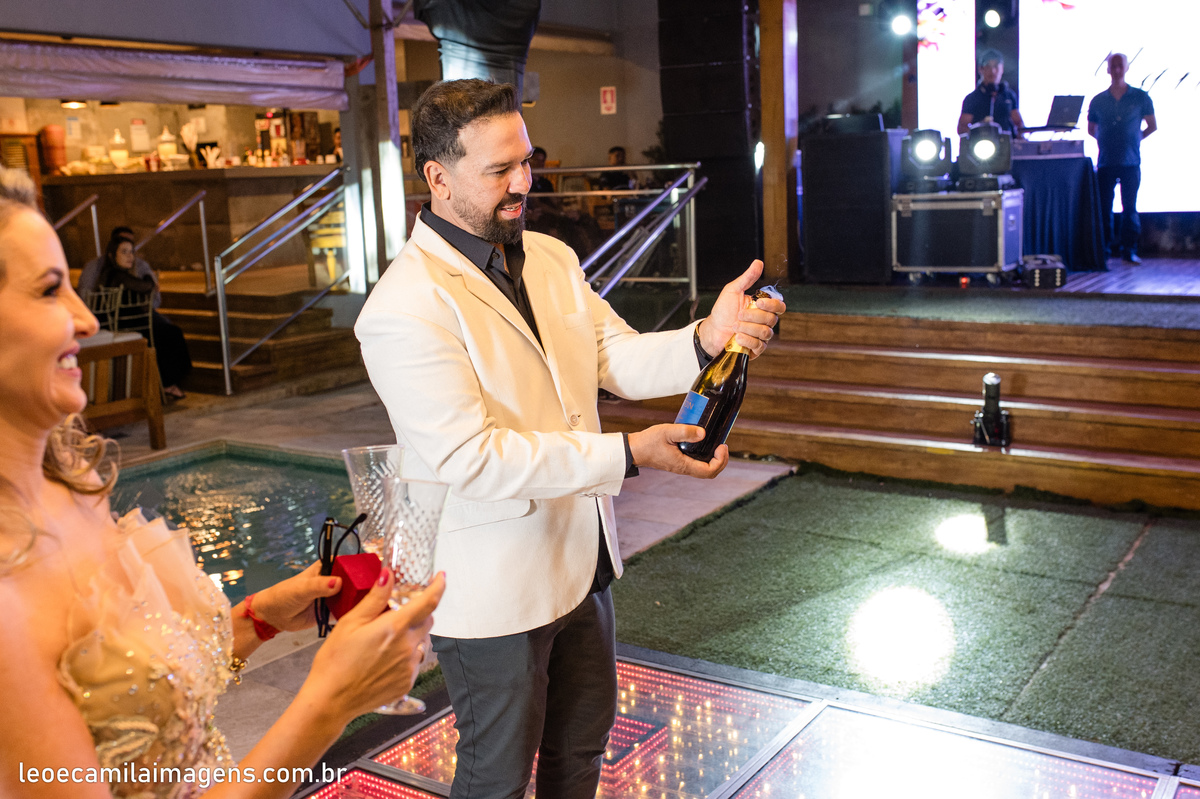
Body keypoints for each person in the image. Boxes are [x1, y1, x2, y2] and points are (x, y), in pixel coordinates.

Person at [355, 79, 785, 798]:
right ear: (438, 177)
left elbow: (612, 355)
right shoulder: (403, 306)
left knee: (580, 752)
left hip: (583, 566)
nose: (525, 182)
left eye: (527, 160)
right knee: (496, 779)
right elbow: (471, 457)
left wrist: (707, 338)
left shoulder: (550, 256)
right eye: (500, 169)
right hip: (493, 589)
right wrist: (629, 454)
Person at [0, 194, 446, 798]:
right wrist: (328, 704)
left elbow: (140, 704)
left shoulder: (71, 483)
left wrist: (259, 618)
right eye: (51, 289)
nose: (85, 319)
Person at [79, 227, 192, 399]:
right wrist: (149, 280)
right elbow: (145, 287)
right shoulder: (115, 273)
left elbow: (151, 298)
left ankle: (166, 383)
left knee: (168, 332)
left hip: (129, 319)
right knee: (168, 334)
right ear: (112, 254)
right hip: (121, 322)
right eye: (124, 252)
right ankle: (166, 384)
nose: (130, 256)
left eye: (131, 252)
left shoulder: (123, 271)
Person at [1088, 52, 1157, 264]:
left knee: (1130, 208)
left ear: (1126, 68)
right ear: (1108, 69)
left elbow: (1152, 125)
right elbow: (1091, 129)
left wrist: (1135, 139)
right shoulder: (1098, 100)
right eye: (1113, 66)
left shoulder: (1140, 97)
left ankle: (1129, 250)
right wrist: (1107, 141)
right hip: (1106, 161)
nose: (1117, 70)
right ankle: (1105, 250)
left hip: (1130, 161)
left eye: (1120, 66)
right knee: (1105, 208)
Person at [957, 50, 1025, 137]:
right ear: (980, 69)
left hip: (1006, 143)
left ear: (1002, 69)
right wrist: (977, 131)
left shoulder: (1009, 96)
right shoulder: (971, 99)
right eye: (988, 67)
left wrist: (1020, 137)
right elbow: (962, 128)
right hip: (981, 142)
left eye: (996, 66)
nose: (992, 71)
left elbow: (1019, 123)